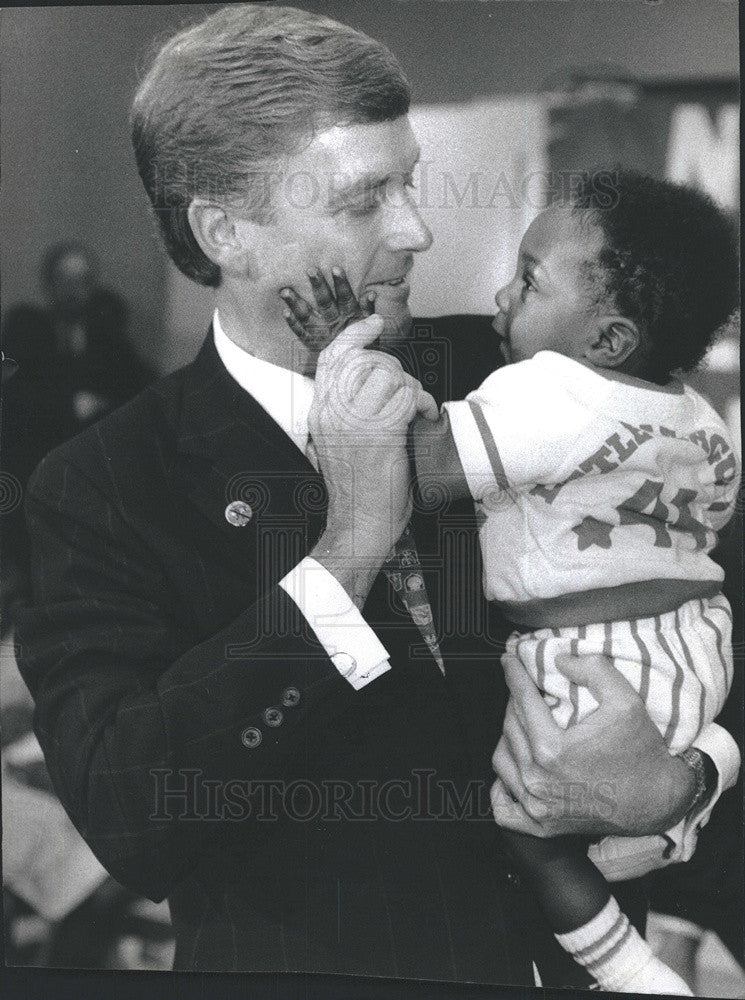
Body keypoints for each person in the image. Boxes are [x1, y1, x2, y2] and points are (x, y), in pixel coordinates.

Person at [14, 5, 739, 986]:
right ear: (228, 230)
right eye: (365, 201)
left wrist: (687, 778)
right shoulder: (105, 486)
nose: (417, 228)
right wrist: (347, 548)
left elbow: (710, 586)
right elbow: (137, 816)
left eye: (411, 183)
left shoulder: (516, 363)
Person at [281, 172, 741, 994]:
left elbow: (411, 468)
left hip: (594, 658)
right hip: (690, 658)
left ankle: (632, 972)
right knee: (603, 847)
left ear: (605, 340)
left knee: (530, 832)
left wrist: (342, 348)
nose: (500, 294)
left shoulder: (548, 390)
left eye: (527, 281)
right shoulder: (698, 420)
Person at [1, 242, 154, 629]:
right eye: (65, 281)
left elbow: (139, 383)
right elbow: (13, 390)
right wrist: (71, 403)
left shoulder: (103, 329)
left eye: (84, 281)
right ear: (49, 285)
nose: (75, 291)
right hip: (31, 452)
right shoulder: (25, 327)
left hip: (86, 460)